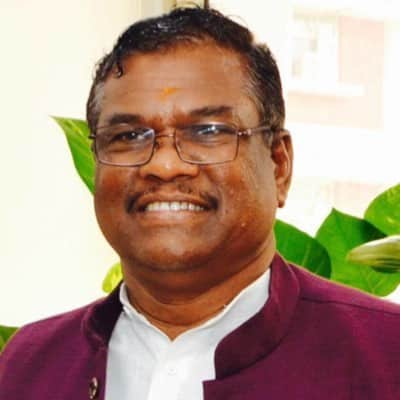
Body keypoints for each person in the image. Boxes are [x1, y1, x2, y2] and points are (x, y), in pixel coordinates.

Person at [1, 6, 400, 400]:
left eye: (207, 131)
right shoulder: (29, 365)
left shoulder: (385, 357)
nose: (164, 165)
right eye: (128, 136)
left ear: (279, 165)